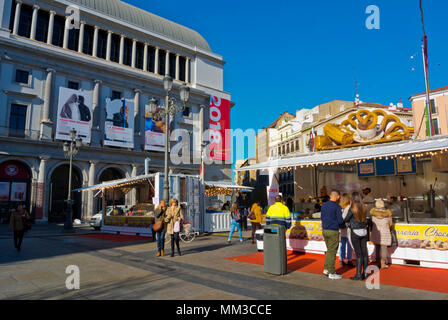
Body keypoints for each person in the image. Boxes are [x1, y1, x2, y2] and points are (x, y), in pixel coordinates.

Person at [344, 192, 369, 280]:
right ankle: (365, 273)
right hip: (364, 231)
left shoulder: (352, 208)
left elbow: (346, 219)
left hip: (355, 231)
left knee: (359, 254)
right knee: (365, 253)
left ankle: (358, 274)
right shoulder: (365, 207)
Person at [321, 190, 344, 280]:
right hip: (333, 230)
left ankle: (326, 269)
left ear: (330, 196)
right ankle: (331, 272)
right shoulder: (337, 207)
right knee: (332, 251)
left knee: (329, 251)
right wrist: (343, 225)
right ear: (337, 197)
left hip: (325, 230)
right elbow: (340, 220)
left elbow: (322, 217)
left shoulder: (324, 205)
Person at [370, 200, 393, 269]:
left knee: (377, 247)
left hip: (376, 232)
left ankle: (378, 262)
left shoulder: (373, 213)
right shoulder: (387, 213)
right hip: (384, 232)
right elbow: (390, 223)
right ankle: (383, 263)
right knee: (383, 248)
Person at [339, 193, 354, 267]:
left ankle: (341, 259)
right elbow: (346, 218)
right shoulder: (349, 208)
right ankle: (349, 260)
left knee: (342, 244)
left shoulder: (341, 208)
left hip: (342, 229)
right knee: (349, 245)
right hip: (348, 229)